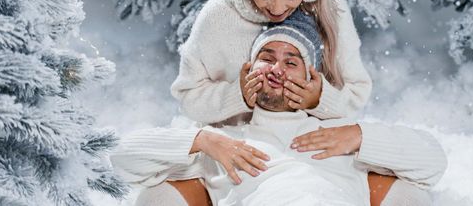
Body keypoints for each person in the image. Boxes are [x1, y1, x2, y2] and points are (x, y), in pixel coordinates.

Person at [111, 11, 447, 205]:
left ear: (310, 76)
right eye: (266, 58)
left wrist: (358, 136)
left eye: (291, 62)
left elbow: (433, 163)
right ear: (247, 72)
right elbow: (122, 157)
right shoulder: (225, 143)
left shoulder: (336, 137)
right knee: (155, 196)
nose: (277, 68)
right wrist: (203, 141)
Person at [171, 0, 372, 125]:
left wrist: (319, 100)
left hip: (302, 143)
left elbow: (357, 92)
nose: (277, 8)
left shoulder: (332, 10)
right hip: (232, 145)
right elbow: (187, 95)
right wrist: (235, 96)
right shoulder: (219, 15)